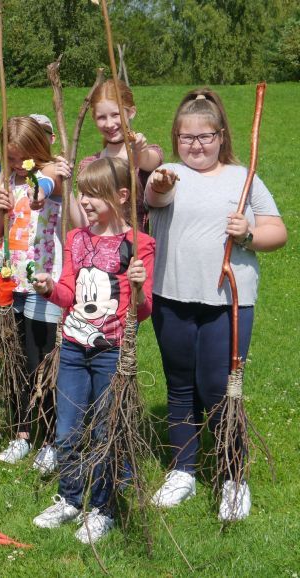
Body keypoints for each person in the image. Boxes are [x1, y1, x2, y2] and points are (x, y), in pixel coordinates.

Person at [146, 88, 287, 522]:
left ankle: (233, 476)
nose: (196, 145)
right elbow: (155, 197)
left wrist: (248, 234)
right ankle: (183, 470)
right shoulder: (169, 174)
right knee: (179, 386)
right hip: (171, 296)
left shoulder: (243, 178)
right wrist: (160, 184)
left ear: (221, 136)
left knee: (218, 388)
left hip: (228, 301)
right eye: (187, 137)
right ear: (176, 138)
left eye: (205, 136)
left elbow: (278, 232)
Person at [31, 157, 155, 544]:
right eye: (82, 193)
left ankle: (102, 508)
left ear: (122, 196)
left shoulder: (140, 245)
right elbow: (68, 294)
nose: (84, 201)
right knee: (67, 431)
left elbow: (143, 311)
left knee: (105, 431)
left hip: (110, 354)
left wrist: (137, 287)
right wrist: (49, 288)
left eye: (94, 194)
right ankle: (69, 498)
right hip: (72, 349)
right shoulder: (76, 239)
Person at [0, 116, 69, 472]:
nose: (18, 164)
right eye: (11, 158)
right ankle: (22, 433)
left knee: (42, 360)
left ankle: (50, 438)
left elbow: (46, 182)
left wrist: (38, 184)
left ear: (38, 149)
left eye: (23, 157)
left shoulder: (52, 172)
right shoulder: (7, 181)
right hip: (10, 280)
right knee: (16, 361)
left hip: (41, 283)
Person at [78, 80, 163, 232]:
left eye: (115, 115)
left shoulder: (150, 153)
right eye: (101, 117)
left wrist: (138, 150)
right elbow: (83, 222)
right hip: (97, 245)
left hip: (135, 245)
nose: (109, 124)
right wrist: (65, 190)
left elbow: (145, 161)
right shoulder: (89, 164)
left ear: (131, 112)